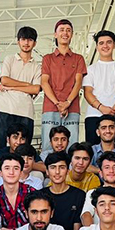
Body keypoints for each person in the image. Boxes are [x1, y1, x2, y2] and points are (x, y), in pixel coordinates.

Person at [39, 18, 85, 150]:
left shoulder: (78, 58)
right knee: (48, 146)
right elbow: (44, 82)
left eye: (68, 30)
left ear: (72, 34)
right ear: (55, 34)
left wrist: (68, 102)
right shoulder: (48, 58)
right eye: (62, 30)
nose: (65, 33)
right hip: (50, 107)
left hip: (72, 107)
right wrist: (57, 103)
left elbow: (78, 83)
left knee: (72, 146)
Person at [83, 31, 115, 147]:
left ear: (114, 45)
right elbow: (87, 93)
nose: (105, 46)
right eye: (101, 43)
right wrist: (101, 108)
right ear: (97, 47)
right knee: (92, 153)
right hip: (94, 115)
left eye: (109, 42)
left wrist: (112, 111)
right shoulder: (90, 69)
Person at [0, 25, 41, 142]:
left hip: (25, 110)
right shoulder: (9, 59)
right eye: (23, 39)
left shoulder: (37, 66)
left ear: (35, 43)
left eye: (30, 40)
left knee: (24, 147)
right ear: (18, 42)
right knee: (0, 144)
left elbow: (35, 89)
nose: (26, 43)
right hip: (5, 107)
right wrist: (27, 85)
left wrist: (11, 86)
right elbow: (4, 80)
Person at [0, 151, 37, 230]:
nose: (11, 172)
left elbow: (36, 223)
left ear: (21, 172)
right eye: (7, 168)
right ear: (0, 172)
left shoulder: (32, 193)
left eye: (16, 168)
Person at [42, 150, 86, 230]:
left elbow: (76, 227)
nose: (57, 172)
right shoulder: (40, 196)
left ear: (68, 171)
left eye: (62, 167)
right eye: (53, 167)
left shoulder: (79, 195)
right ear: (47, 171)